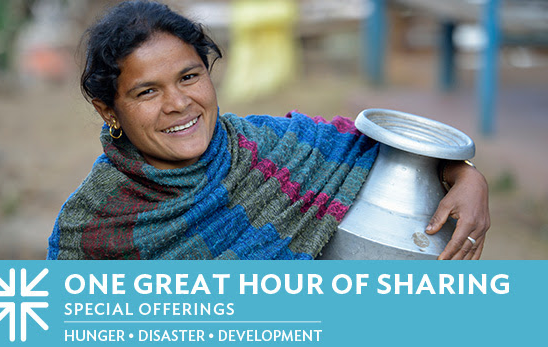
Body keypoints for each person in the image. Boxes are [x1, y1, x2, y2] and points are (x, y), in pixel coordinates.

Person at [48, 0, 489, 260]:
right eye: (146, 92)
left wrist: (466, 175)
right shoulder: (92, 226)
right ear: (110, 111)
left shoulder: (276, 149)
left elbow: (373, 148)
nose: (178, 104)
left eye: (189, 77)